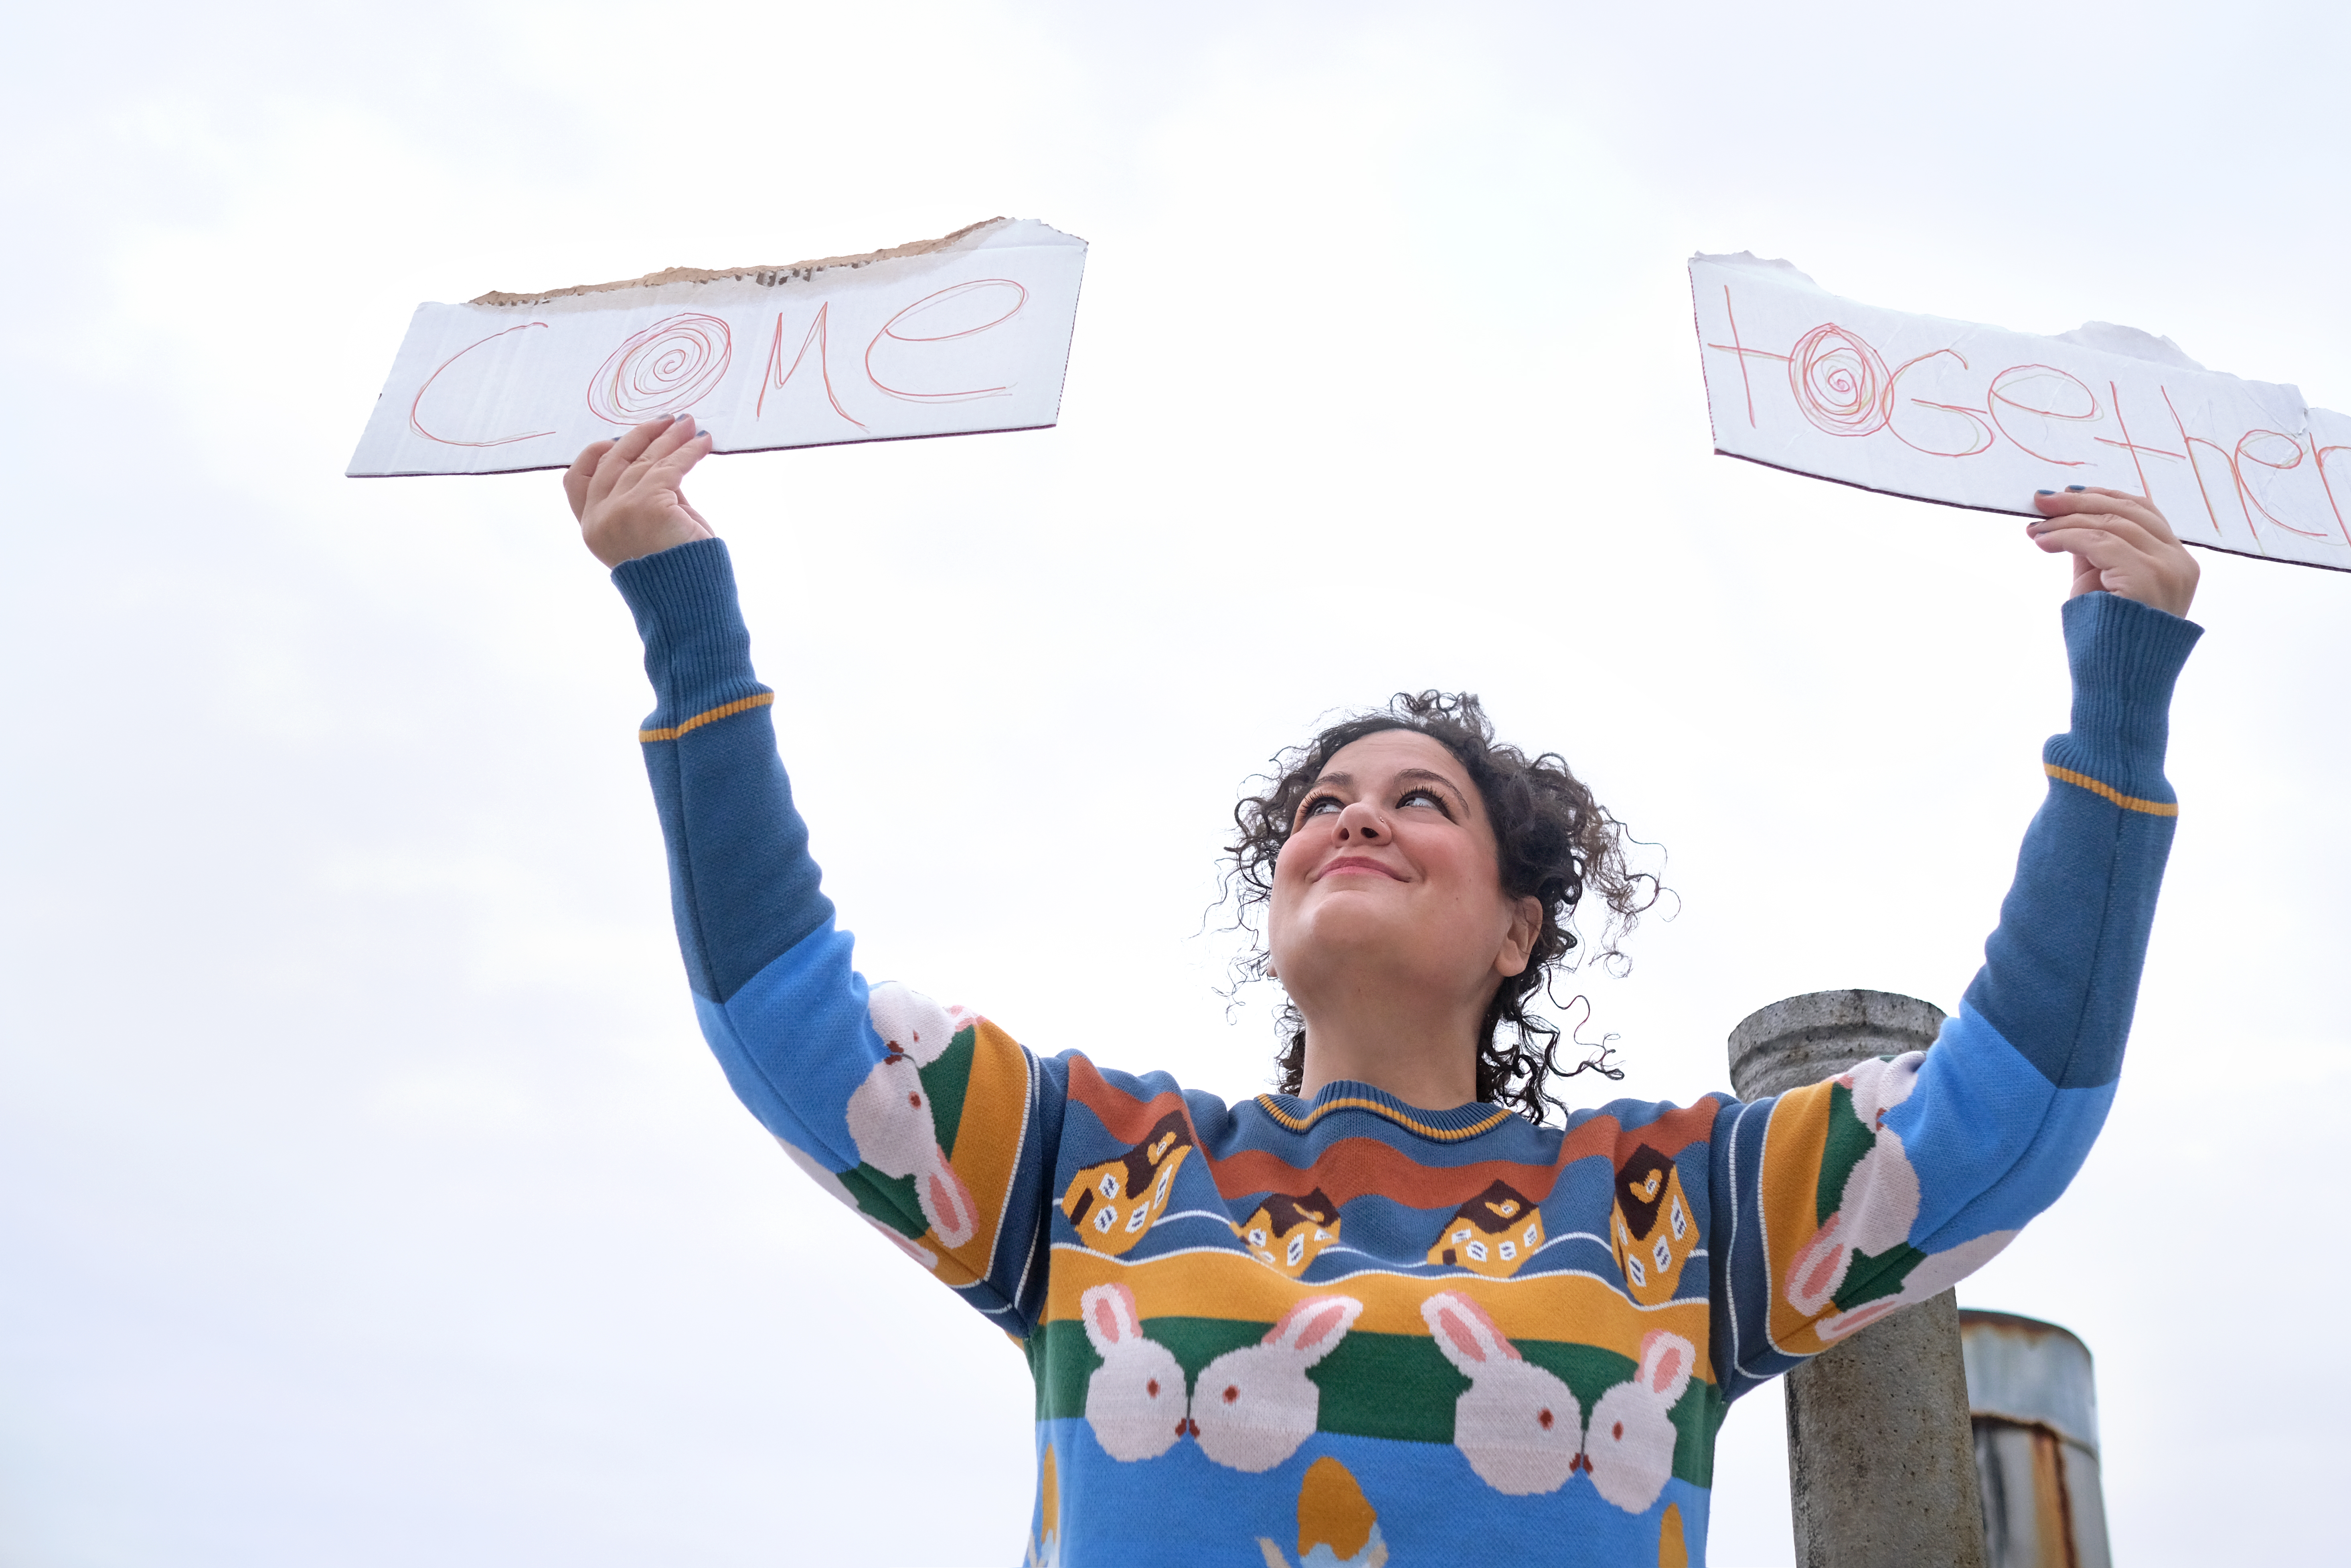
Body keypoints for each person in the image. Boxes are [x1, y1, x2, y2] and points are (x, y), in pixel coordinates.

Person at [564, 412, 2201, 1566]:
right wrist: (683, 608)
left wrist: (2119, 689)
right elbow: (782, 1011)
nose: (1353, 813)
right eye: (1322, 802)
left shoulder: (1673, 1206)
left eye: (1423, 800)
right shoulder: (1088, 1165)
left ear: (1518, 927)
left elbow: (2019, 1107)